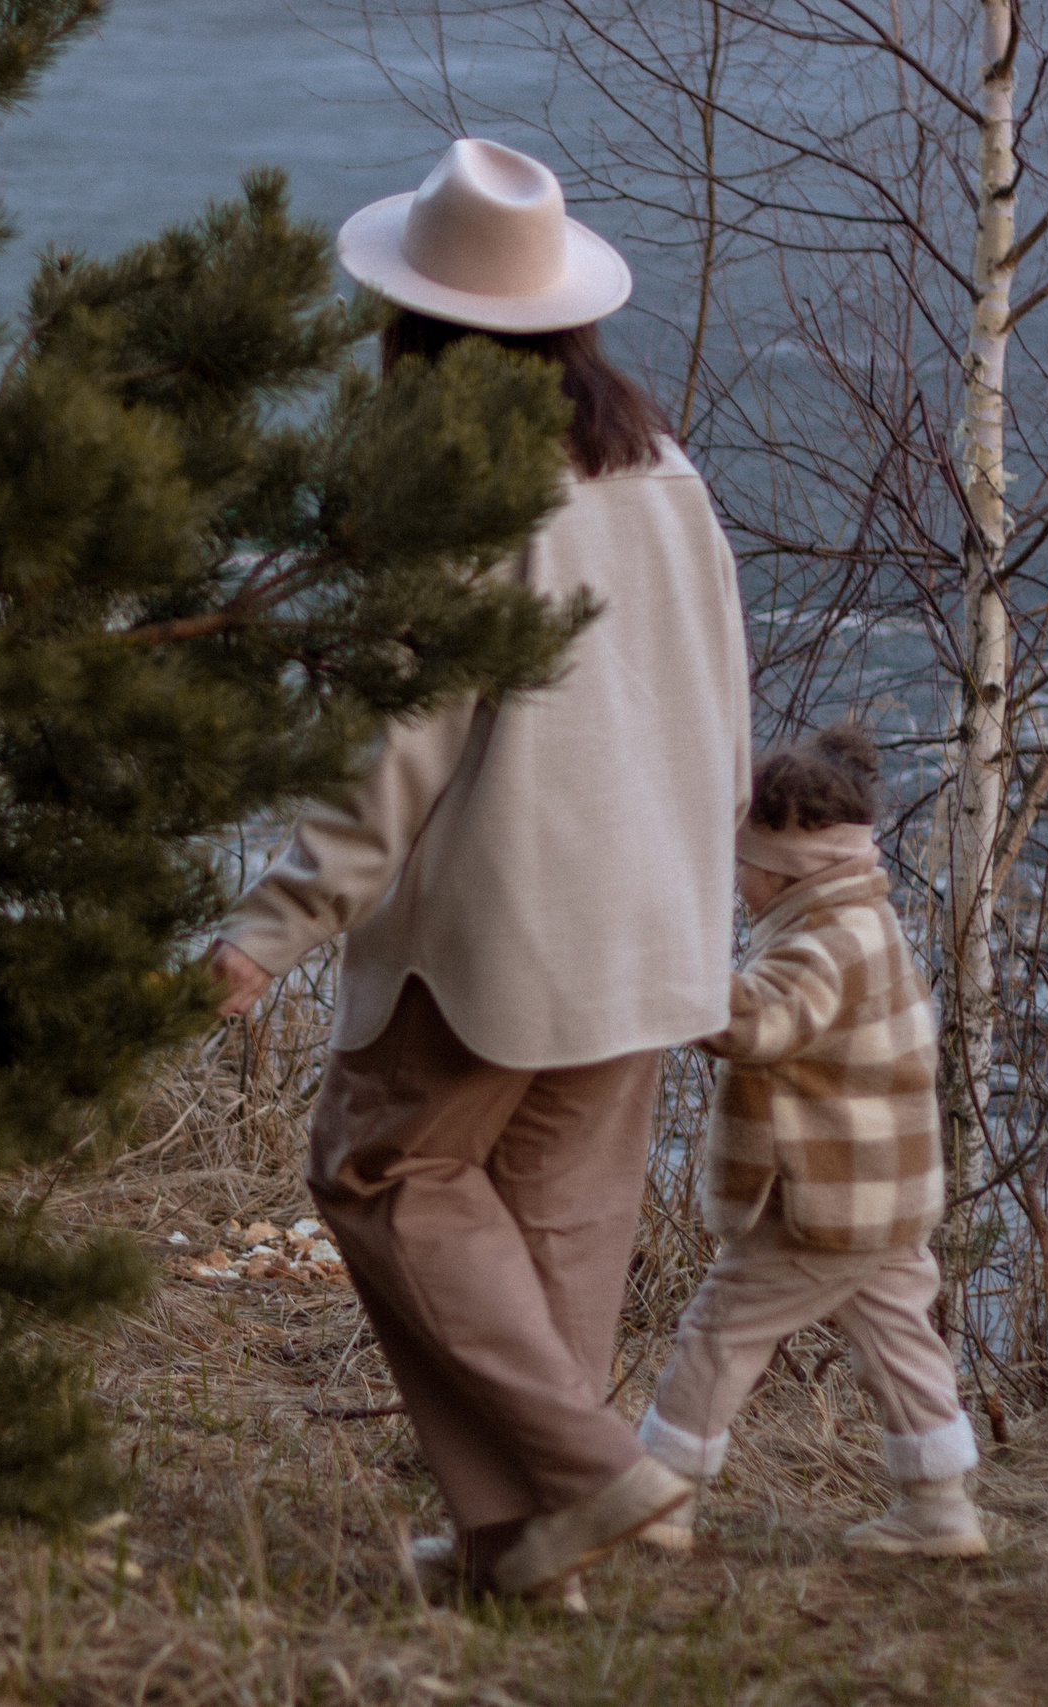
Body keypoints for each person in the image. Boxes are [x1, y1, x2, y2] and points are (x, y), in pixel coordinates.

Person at [209, 137, 751, 1605]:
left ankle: (591, 1466)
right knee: (557, 1226)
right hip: (648, 929)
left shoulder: (454, 492)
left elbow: (397, 738)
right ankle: (526, 1556)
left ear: (415, 327)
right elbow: (717, 696)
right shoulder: (662, 466)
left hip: (501, 935)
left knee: (381, 1164)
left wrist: (275, 921)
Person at [632, 725, 987, 1558]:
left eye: (743, 865)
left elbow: (764, 1021)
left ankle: (656, 1495)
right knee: (900, 1341)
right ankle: (939, 1506)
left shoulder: (824, 942)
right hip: (884, 1194)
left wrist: (670, 975)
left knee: (720, 1331)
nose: (737, 879)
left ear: (790, 868)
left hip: (818, 1200)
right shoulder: (863, 917)